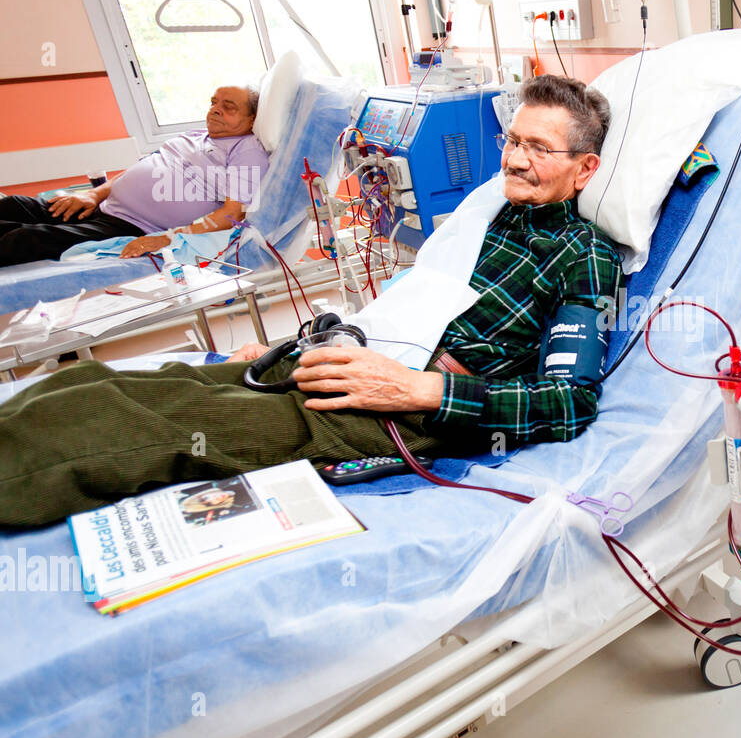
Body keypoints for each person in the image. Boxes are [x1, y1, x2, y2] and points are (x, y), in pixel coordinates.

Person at [0, 75, 622, 527]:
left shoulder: (581, 255)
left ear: (586, 169)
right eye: (514, 140)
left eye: (540, 148)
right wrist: (287, 347)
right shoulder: (488, 211)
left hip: (403, 407)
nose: (516, 159)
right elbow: (415, 298)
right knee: (93, 384)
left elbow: (569, 404)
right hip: (350, 357)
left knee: (123, 427)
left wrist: (411, 390)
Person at [0, 85, 269, 266]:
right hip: (101, 207)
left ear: (252, 119)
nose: (215, 110)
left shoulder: (247, 152)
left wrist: (170, 236)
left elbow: (234, 213)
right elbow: (142, 168)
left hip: (130, 226)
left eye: (229, 107)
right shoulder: (194, 136)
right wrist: (93, 194)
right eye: (214, 103)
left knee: (22, 239)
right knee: (10, 206)